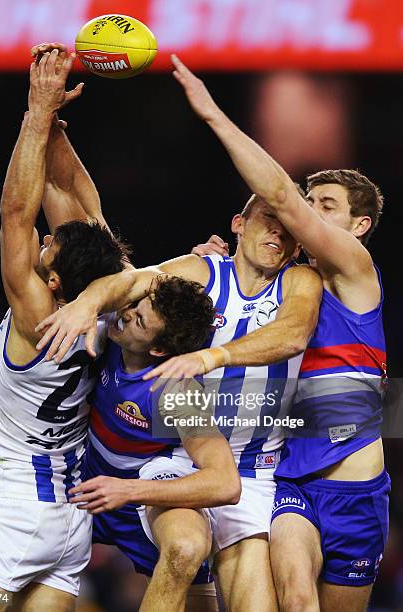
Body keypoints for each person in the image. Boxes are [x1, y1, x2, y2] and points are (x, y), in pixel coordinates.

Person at [35, 69, 324, 612]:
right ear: (239, 222)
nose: (277, 232)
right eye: (266, 218)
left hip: (248, 471)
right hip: (166, 460)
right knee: (92, 238)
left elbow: (294, 333)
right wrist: (88, 303)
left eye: (288, 226)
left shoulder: (300, 281)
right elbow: (127, 274)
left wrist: (209, 356)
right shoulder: (199, 269)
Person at [163, 56, 389, 611]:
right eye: (309, 202)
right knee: (292, 596)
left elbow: (280, 197)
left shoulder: (355, 270)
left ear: (359, 228)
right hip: (289, 478)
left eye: (325, 207)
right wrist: (209, 261)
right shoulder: (288, 278)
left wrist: (214, 115)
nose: (306, 214)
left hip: (354, 488)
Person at [0, 49, 131, 612]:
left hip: (19, 513)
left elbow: (15, 212)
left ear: (50, 278)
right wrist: (53, 132)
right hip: (69, 522)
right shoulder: (104, 298)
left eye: (46, 246)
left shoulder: (37, 315)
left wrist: (36, 111)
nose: (42, 240)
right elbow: (84, 212)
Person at [71, 276, 241, 612]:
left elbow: (225, 482)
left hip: (140, 494)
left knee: (186, 548)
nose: (126, 313)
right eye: (135, 305)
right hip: (83, 486)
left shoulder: (175, 391)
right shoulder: (113, 333)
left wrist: (129, 490)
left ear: (159, 349)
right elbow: (96, 235)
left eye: (139, 319)